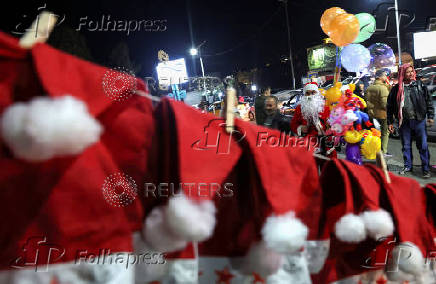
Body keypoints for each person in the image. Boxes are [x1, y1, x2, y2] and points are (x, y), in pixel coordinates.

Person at [387, 64, 434, 178]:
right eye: (408, 72)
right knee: (406, 146)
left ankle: (426, 168)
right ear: (403, 74)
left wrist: (430, 115)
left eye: (412, 71)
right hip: (404, 122)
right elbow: (390, 106)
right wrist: (390, 122)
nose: (411, 74)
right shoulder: (396, 89)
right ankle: (408, 166)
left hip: (419, 120)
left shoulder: (419, 85)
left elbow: (428, 100)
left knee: (422, 146)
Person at [290, 82, 337, 158]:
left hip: (324, 142)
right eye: (307, 93)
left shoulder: (326, 107)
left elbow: (334, 125)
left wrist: (328, 129)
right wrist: (300, 128)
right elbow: (293, 124)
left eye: (313, 92)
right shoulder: (299, 108)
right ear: (304, 95)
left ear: (317, 93)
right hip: (307, 142)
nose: (310, 95)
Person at [365, 70, 392, 156]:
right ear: (380, 77)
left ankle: (374, 150)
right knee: (385, 132)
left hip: (371, 113)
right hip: (382, 114)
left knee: (374, 133)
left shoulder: (369, 87)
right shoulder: (383, 88)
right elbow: (385, 104)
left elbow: (367, 100)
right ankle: (383, 151)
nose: (386, 77)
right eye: (385, 76)